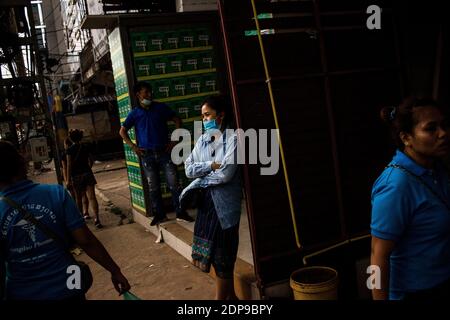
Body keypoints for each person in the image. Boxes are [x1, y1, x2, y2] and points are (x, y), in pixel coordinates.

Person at [0, 140, 130, 300]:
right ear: (22, 163)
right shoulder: (56, 193)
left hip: (22, 293)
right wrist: (115, 270)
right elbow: (85, 240)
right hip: (69, 286)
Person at [371, 97, 450, 300]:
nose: (443, 133)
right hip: (414, 293)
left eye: (444, 125)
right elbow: (377, 257)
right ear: (406, 138)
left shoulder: (436, 169)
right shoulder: (396, 186)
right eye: (431, 129)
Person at [180, 95, 242, 300]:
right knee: (215, 257)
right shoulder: (203, 140)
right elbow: (189, 168)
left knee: (223, 255)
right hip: (207, 205)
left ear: (221, 115)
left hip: (224, 207)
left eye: (208, 115)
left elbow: (226, 174)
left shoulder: (234, 139)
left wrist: (202, 180)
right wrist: (210, 166)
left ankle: (221, 299)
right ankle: (231, 297)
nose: (205, 120)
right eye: (203, 116)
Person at [119, 81, 194, 226]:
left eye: (150, 91)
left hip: (164, 152)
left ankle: (180, 212)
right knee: (153, 186)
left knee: (174, 184)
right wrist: (133, 147)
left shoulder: (160, 108)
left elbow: (177, 119)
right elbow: (122, 131)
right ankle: (160, 215)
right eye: (146, 92)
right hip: (146, 155)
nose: (149, 94)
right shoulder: (134, 114)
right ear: (138, 95)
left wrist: (173, 140)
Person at [66, 129, 103, 229]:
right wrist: (88, 168)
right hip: (87, 173)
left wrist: (68, 179)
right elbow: (91, 160)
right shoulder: (85, 147)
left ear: (70, 138)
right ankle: (97, 219)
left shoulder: (69, 150)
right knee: (92, 197)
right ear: (81, 137)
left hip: (76, 176)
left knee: (78, 198)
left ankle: (81, 219)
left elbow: (69, 165)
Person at [61, 137, 90, 218]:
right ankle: (86, 212)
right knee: (84, 194)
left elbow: (64, 168)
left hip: (72, 177)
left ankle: (78, 214)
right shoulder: (77, 150)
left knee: (75, 198)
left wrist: (67, 180)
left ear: (66, 144)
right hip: (81, 174)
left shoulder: (64, 154)